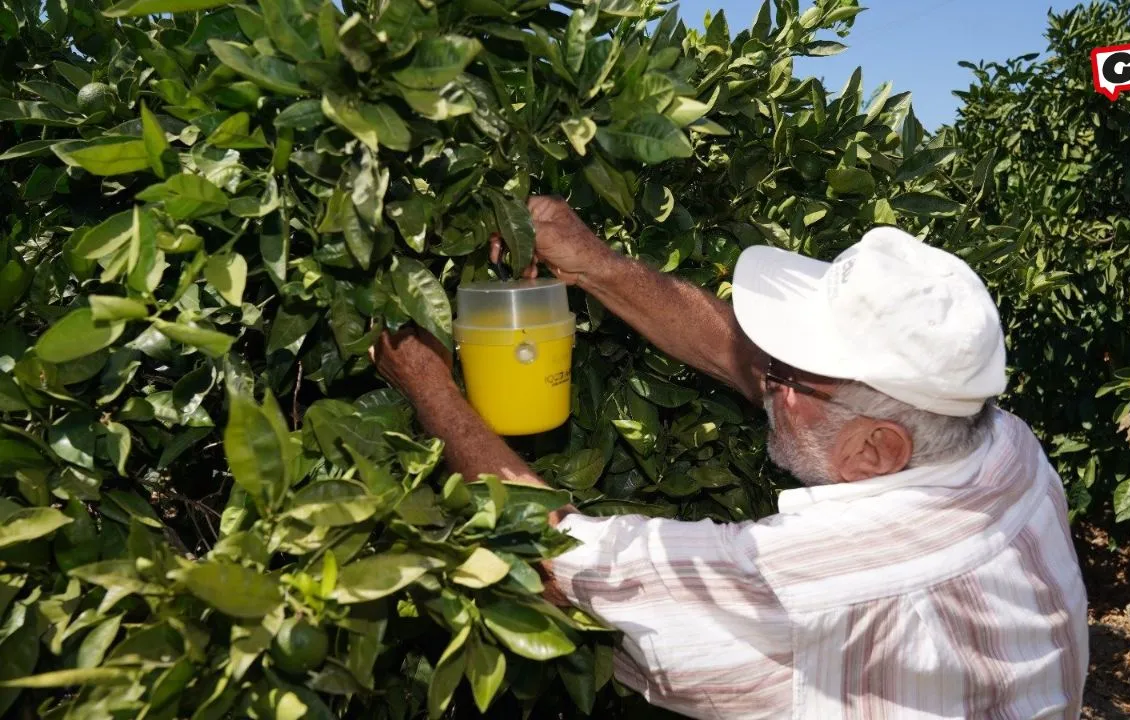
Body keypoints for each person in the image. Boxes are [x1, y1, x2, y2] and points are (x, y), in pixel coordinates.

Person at [369, 196, 1090, 720]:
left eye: (787, 375)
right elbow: (736, 355)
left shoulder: (820, 577)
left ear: (875, 448)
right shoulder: (1000, 444)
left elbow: (557, 558)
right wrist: (593, 265)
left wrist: (428, 383)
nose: (763, 376)